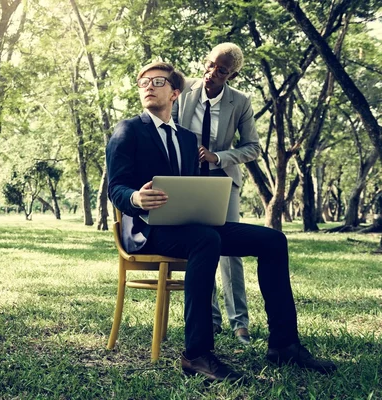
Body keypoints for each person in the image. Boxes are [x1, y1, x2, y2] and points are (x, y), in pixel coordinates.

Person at [106, 60, 336, 382]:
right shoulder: (128, 130)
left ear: (175, 93)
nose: (147, 87)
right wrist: (135, 198)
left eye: (157, 82)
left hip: (191, 225)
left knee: (273, 241)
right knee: (206, 240)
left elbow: (192, 189)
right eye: (142, 83)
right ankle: (196, 354)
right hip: (148, 231)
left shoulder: (187, 140)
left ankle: (284, 345)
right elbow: (115, 187)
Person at [172, 43, 259, 345]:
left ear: (233, 75)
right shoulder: (182, 91)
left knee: (230, 249)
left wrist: (217, 157)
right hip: (186, 182)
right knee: (201, 246)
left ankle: (240, 324)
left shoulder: (241, 102)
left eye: (221, 70)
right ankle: (209, 320)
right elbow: (166, 127)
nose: (212, 73)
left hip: (222, 181)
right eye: (210, 65)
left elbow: (253, 147)